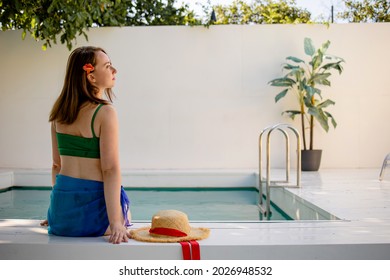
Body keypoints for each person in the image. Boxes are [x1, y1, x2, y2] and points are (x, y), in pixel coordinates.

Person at [43, 46, 131, 244]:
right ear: (91, 77)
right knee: (127, 213)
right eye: (108, 66)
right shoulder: (105, 112)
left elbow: (56, 165)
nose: (114, 71)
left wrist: (53, 212)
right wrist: (116, 222)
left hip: (60, 216)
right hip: (93, 219)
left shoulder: (58, 114)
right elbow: (109, 170)